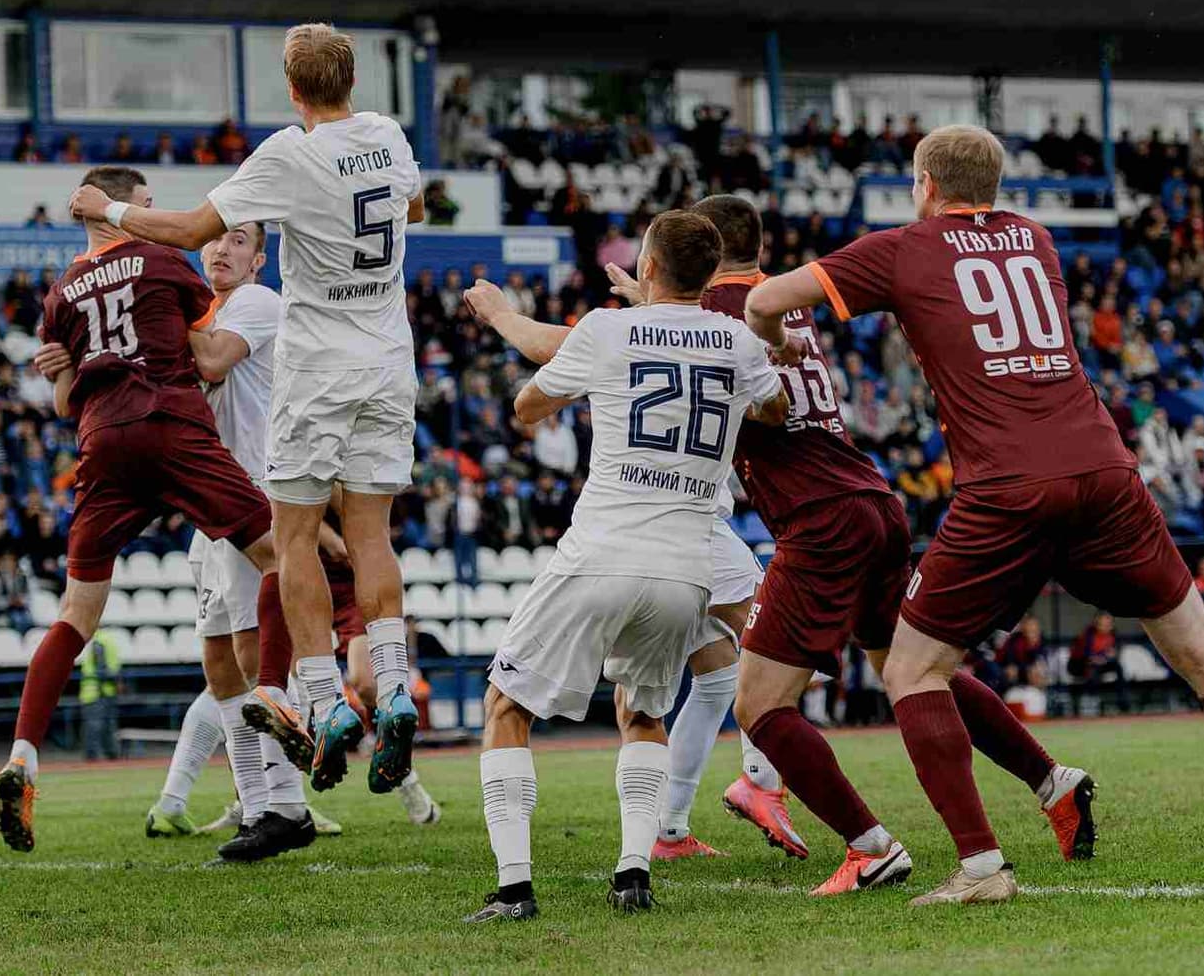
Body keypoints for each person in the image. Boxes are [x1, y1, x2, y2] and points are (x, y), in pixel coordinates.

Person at [747, 124, 1204, 906]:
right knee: (1201, 651)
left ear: (924, 183)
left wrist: (775, 346)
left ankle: (982, 867)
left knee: (913, 668)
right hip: (1104, 468)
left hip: (1008, 487)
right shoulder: (1037, 240)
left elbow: (763, 296)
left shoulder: (906, 247)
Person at [468, 192, 1093, 892]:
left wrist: (518, 315)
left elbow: (579, 352)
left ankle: (863, 842)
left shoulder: (720, 313)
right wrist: (645, 302)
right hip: (867, 498)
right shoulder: (770, 305)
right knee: (915, 669)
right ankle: (1051, 779)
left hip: (808, 518)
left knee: (759, 700)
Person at [67, 24, 425, 795]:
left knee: (291, 534)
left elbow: (191, 228)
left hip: (321, 363)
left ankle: (327, 701)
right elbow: (415, 207)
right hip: (390, 356)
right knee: (370, 532)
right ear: (353, 80)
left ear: (293, 91)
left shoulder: (289, 152)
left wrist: (112, 211)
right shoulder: (389, 135)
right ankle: (393, 686)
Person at [460, 210, 790, 922]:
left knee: (507, 706)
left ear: (646, 269)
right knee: (642, 713)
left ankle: (515, 888)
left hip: (603, 550)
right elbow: (776, 408)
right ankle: (634, 873)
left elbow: (526, 406)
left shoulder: (608, 329)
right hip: (686, 565)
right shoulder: (736, 340)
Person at [0, 166, 273, 854]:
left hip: (100, 447)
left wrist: (65, 367)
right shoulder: (160, 258)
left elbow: (62, 402)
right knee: (283, 557)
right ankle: (279, 698)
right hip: (171, 427)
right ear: (126, 207)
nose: (151, 215)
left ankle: (24, 753)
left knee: (75, 614)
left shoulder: (59, 291)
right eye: (147, 206)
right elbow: (209, 357)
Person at [79, 628, 123, 762]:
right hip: (98, 691)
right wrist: (117, 680)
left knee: (101, 727)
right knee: (99, 726)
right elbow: (101, 669)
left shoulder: (97, 641)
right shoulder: (104, 641)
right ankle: (100, 758)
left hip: (97, 692)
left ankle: (96, 759)